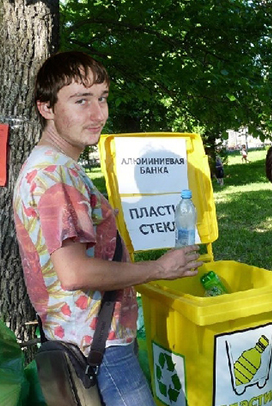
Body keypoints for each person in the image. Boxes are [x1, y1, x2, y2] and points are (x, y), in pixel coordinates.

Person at [12, 51, 202, 406]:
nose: (98, 113)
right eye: (81, 100)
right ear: (46, 107)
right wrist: (161, 268)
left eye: (102, 98)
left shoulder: (50, 166)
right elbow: (73, 272)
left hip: (80, 338)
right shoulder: (57, 174)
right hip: (98, 343)